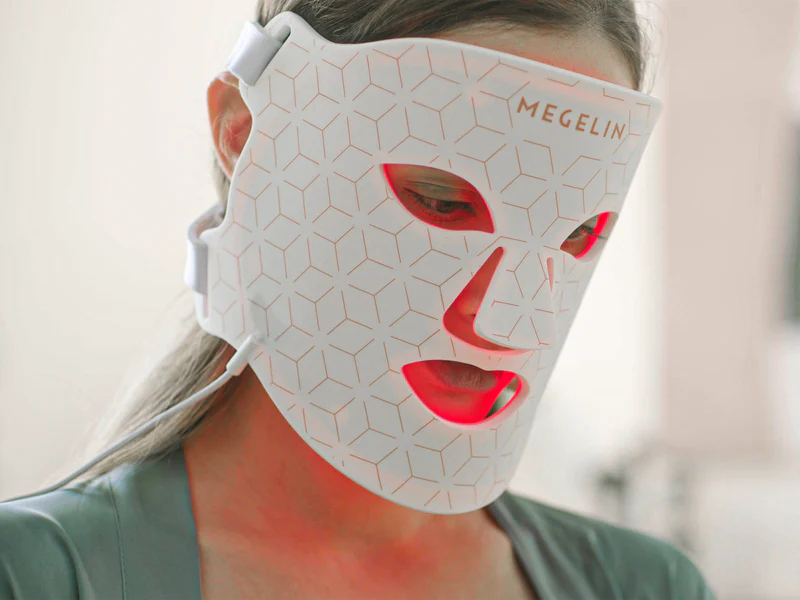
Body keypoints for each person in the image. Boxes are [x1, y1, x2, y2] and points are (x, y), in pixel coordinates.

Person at [0, 0, 715, 598]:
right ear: (243, 133)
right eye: (440, 201)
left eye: (577, 235)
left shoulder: (647, 587)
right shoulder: (35, 575)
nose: (508, 321)